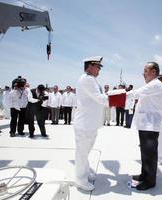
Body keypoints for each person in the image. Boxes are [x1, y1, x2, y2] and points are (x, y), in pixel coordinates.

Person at [73, 56, 108, 191]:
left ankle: (85, 173)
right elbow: (100, 98)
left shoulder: (92, 80)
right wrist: (120, 98)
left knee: (85, 151)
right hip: (85, 124)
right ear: (90, 66)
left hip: (90, 123)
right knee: (82, 152)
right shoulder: (87, 79)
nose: (99, 69)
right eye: (97, 66)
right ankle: (80, 180)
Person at [129, 62, 162, 190]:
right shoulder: (151, 84)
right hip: (145, 125)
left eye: (145, 70)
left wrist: (117, 95)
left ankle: (150, 181)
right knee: (145, 152)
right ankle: (145, 174)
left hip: (150, 126)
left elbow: (136, 93)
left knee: (149, 154)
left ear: (154, 72)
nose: (143, 73)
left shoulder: (155, 84)